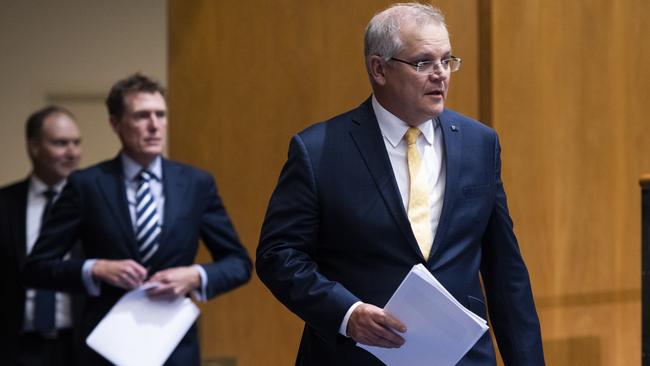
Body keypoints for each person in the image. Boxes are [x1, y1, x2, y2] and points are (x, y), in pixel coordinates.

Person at [256, 3, 545, 365]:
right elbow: (278, 256)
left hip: (462, 357)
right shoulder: (318, 150)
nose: (441, 74)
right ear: (379, 68)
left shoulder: (479, 143)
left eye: (447, 60)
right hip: (356, 356)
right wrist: (347, 314)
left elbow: (506, 272)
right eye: (424, 62)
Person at [23, 73, 252, 365]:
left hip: (174, 346)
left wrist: (195, 276)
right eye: (142, 116)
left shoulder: (196, 183)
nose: (155, 125)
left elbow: (239, 263)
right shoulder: (87, 184)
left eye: (160, 114)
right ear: (115, 124)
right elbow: (37, 267)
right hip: (107, 346)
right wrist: (96, 269)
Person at [0, 106, 82, 365]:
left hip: (78, 346)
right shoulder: (5, 204)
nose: (72, 153)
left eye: (76, 143)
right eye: (61, 143)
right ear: (34, 146)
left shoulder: (94, 204)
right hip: (17, 347)